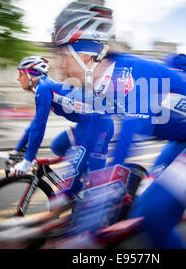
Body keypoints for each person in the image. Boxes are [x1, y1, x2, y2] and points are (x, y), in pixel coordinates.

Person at [52, 1, 186, 248]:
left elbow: (129, 136)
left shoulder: (131, 74)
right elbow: (90, 139)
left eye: (64, 55)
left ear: (85, 56)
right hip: (183, 140)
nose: (60, 64)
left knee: (153, 213)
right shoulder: (100, 86)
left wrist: (91, 224)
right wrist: (65, 193)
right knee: (140, 212)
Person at [10, 55, 114, 215]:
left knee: (92, 183)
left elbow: (39, 126)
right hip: (86, 125)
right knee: (58, 146)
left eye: (20, 73)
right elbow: (34, 125)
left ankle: (98, 208)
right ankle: (78, 184)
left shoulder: (43, 88)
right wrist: (17, 151)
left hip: (100, 125)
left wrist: (27, 160)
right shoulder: (43, 88)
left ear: (31, 74)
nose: (18, 78)